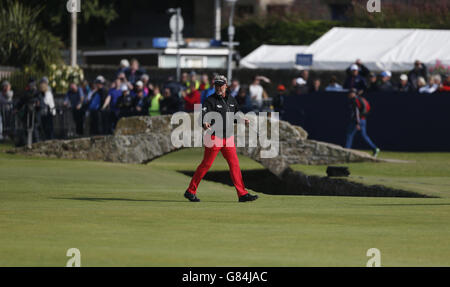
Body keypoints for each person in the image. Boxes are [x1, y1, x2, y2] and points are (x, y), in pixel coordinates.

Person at [184, 75, 258, 203]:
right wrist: (204, 122)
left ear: (226, 86)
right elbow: (203, 114)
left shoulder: (231, 99)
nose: (218, 87)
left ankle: (242, 194)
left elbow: (236, 113)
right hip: (214, 137)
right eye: (216, 85)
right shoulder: (210, 100)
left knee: (235, 165)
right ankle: (190, 191)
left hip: (228, 137)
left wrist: (242, 119)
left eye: (221, 85)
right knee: (206, 165)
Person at [345, 89, 380, 157]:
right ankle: (375, 148)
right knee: (364, 136)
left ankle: (346, 151)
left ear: (353, 94)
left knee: (349, 135)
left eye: (350, 93)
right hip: (363, 120)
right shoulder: (361, 99)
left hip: (357, 120)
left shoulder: (354, 100)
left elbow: (357, 112)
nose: (349, 94)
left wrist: (357, 123)